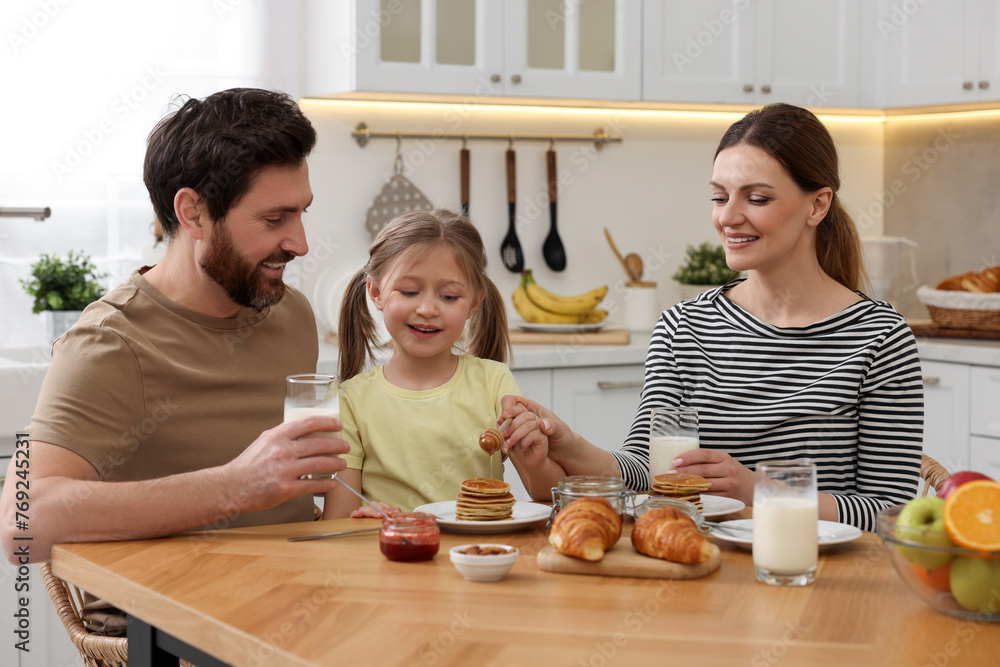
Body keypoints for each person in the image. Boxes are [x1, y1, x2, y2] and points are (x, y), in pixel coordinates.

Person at [500, 103, 924, 532]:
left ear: (817, 206)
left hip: (821, 578)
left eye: (756, 198)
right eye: (720, 197)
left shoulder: (880, 337)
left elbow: (891, 513)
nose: (727, 217)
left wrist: (760, 490)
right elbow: (648, 473)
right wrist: (569, 445)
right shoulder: (684, 328)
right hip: (705, 563)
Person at [0, 88, 349, 568]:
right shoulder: (110, 342)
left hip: (298, 590)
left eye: (300, 212)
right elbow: (22, 525)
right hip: (168, 622)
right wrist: (232, 487)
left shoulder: (294, 315)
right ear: (193, 214)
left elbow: (305, 487)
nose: (301, 243)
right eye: (274, 218)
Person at [323, 209, 559, 518]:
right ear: (376, 292)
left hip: (477, 557)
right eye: (409, 291)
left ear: (474, 303)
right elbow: (337, 524)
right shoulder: (349, 401)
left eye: (449, 297)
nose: (427, 308)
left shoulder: (494, 382)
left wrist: (537, 462)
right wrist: (363, 522)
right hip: (391, 557)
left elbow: (547, 496)